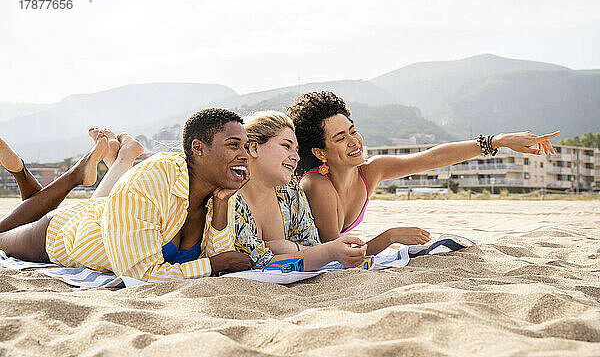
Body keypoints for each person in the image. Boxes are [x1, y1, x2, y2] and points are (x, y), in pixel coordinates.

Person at [287, 91, 560, 256]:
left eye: (353, 130)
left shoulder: (371, 170)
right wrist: (390, 236)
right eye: (340, 138)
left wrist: (496, 141)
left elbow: (432, 157)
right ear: (320, 152)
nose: (354, 140)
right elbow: (337, 255)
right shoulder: (316, 184)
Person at [0, 108, 253, 282]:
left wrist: (221, 205)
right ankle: (74, 173)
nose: (244, 154)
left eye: (245, 145)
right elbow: (140, 275)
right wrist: (213, 266)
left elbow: (222, 255)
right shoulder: (153, 179)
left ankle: (23, 172)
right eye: (233, 145)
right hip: (65, 232)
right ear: (198, 148)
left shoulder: (217, 192)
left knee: (26, 212)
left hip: (107, 215)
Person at [231, 111, 368, 271]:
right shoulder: (229, 197)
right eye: (286, 146)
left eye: (296, 150)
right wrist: (325, 252)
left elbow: (312, 245)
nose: (295, 157)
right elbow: (258, 262)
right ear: (254, 148)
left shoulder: (290, 193)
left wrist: (290, 248)